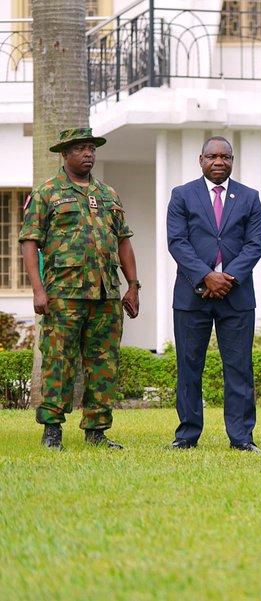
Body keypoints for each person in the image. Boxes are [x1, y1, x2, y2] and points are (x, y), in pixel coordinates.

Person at [19, 128, 140, 450]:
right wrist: (38, 290)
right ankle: (52, 430)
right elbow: (29, 242)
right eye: (80, 149)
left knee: (104, 363)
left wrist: (133, 286)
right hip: (64, 294)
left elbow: (123, 241)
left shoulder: (108, 194)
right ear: (65, 153)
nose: (88, 154)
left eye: (91, 148)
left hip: (105, 294)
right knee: (59, 361)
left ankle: (97, 431)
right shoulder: (47, 193)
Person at [166, 136, 261, 452]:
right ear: (201, 160)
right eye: (212, 156)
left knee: (239, 367)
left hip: (236, 296)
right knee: (189, 366)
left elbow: (255, 244)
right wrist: (206, 276)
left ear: (232, 161)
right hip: (191, 295)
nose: (219, 162)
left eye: (225, 157)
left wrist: (228, 278)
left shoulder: (249, 197)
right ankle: (187, 435)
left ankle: (241, 437)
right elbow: (177, 242)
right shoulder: (182, 195)